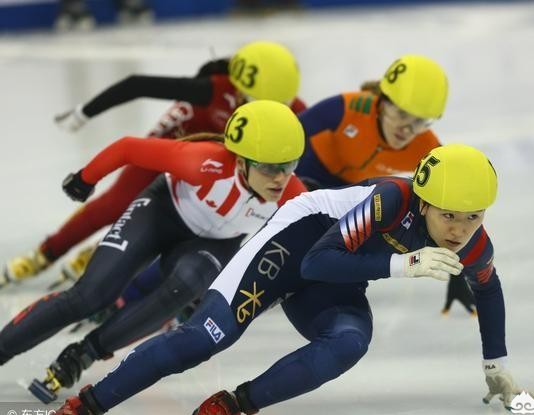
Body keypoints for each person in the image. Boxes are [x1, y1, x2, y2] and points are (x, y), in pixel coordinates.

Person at [44, 144, 534, 415]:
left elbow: (488, 290)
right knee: (202, 339)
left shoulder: (474, 244)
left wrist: (495, 364)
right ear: (425, 204)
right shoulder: (389, 199)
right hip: (292, 247)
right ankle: (84, 407)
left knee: (348, 343)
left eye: (472, 218)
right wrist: (401, 266)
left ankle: (231, 405)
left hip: (334, 275)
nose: (459, 229)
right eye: (449, 216)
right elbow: (319, 261)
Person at [0, 101, 306, 382]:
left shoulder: (294, 194)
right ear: (241, 161)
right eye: (269, 168)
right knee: (89, 296)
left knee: (184, 287)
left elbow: (324, 232)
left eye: (289, 166)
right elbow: (128, 148)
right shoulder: (203, 162)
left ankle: (86, 353)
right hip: (161, 214)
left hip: (213, 243)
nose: (280, 179)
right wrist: (85, 179)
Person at [0, 40, 305, 289]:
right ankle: (45, 253)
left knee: (198, 221)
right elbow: (137, 84)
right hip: (171, 151)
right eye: (250, 101)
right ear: (239, 88)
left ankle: (101, 251)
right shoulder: (212, 90)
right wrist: (84, 112)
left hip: (213, 167)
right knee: (115, 204)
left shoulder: (285, 105)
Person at [295, 53, 475, 315]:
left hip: (350, 193)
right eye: (401, 113)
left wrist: (459, 274)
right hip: (306, 175)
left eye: (419, 121)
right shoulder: (349, 107)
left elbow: (457, 207)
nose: (406, 128)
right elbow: (289, 131)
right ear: (382, 101)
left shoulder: (426, 145)